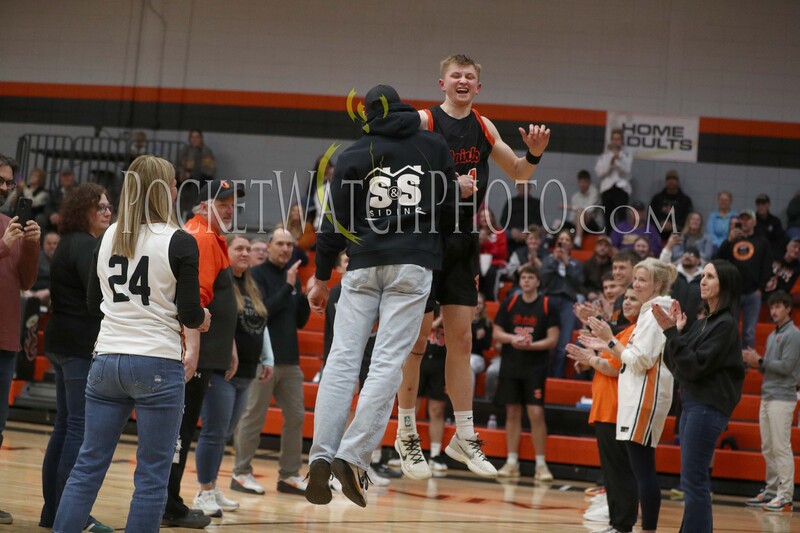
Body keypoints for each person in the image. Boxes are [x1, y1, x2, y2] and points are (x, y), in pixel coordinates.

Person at [395, 54, 550, 480]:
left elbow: (518, 172)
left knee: (461, 341)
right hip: (424, 240)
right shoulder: (424, 121)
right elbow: (398, 176)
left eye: (469, 77)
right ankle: (406, 433)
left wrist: (534, 155)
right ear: (442, 82)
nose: (462, 81)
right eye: (456, 75)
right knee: (416, 342)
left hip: (463, 244)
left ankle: (464, 436)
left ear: (478, 87)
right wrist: (448, 184)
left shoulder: (483, 126)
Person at [304, 84, 459, 507]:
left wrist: (321, 277)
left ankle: (320, 456)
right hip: (412, 262)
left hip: (362, 263)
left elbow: (332, 225)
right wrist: (434, 251)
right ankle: (352, 455)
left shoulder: (354, 153)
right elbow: (451, 213)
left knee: (341, 361)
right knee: (387, 362)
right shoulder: (433, 145)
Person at [52, 155, 210, 533]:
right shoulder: (179, 240)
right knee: (152, 476)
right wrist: (204, 317)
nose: (177, 189)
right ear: (165, 190)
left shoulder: (108, 235)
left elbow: (94, 304)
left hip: (106, 360)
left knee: (87, 467)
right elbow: (191, 314)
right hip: (156, 362)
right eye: (174, 183)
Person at [163, 177, 241, 528]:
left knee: (182, 431)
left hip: (208, 353)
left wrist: (229, 344)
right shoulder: (203, 237)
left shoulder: (211, 236)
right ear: (203, 206)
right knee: (179, 433)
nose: (230, 210)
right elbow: (196, 299)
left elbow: (219, 302)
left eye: (232, 205)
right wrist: (192, 350)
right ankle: (168, 503)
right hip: (195, 356)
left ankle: (171, 500)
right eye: (223, 204)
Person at [581, 258, 676, 533]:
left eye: (642, 280)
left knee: (642, 471)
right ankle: (629, 527)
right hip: (636, 398)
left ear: (658, 284)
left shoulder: (657, 312)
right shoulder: (649, 312)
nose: (636, 284)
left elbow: (639, 360)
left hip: (644, 398)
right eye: (635, 279)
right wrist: (607, 343)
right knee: (639, 469)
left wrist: (610, 341)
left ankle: (644, 528)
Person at [40, 183, 113, 532]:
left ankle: (53, 512)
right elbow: (96, 296)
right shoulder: (86, 244)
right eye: (101, 207)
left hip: (60, 341)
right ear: (84, 209)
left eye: (109, 206)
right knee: (77, 429)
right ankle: (71, 515)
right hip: (77, 344)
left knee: (65, 425)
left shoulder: (70, 241)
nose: (107, 211)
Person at [653, 260, 745, 531]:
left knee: (694, 482)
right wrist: (676, 333)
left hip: (706, 407)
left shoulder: (725, 325)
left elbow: (694, 366)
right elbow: (675, 364)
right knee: (692, 481)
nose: (703, 281)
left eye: (710, 276)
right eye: (703, 275)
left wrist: (672, 334)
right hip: (692, 405)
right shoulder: (704, 323)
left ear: (725, 285)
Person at [192, 235, 271, 517]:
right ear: (227, 253)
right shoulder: (221, 284)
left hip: (247, 372)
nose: (245, 253)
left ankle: (212, 488)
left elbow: (260, 327)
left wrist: (267, 358)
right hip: (221, 370)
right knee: (214, 432)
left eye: (249, 249)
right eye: (239, 248)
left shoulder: (252, 285)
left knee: (224, 434)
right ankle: (204, 491)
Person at [232, 227, 309, 496]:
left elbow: (300, 321)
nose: (286, 249)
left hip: (290, 361)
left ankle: (289, 475)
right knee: (253, 417)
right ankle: (241, 472)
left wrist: (304, 296)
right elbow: (261, 313)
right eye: (280, 244)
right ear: (270, 246)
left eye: (289, 244)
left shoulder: (293, 278)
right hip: (263, 360)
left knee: (296, 417)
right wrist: (288, 286)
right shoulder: (256, 275)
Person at [566, 286, 642, 532]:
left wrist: (590, 359)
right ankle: (616, 522)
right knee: (612, 471)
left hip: (616, 408)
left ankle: (623, 524)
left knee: (620, 470)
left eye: (633, 299)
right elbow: (609, 362)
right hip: (606, 407)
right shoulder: (625, 332)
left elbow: (614, 368)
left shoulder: (635, 332)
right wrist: (590, 358)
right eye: (626, 299)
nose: (627, 302)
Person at [0, 154, 41, 525]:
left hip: (5, 339)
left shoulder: (8, 225)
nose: (4, 187)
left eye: (9, 182)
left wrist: (30, 245)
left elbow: (26, 281)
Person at [493, 265, 559, 480]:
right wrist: (513, 339)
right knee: (512, 412)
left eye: (531, 277)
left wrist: (531, 345)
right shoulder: (510, 302)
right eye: (523, 277)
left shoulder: (548, 305)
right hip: (511, 364)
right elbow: (497, 332)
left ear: (538, 281)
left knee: (536, 414)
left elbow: (552, 340)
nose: (527, 281)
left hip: (535, 367)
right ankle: (512, 461)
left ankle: (541, 464)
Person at [742, 290, 800, 513]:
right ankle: (771, 490)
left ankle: (785, 496)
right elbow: (769, 367)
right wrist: (757, 361)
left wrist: (759, 361)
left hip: (782, 397)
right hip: (768, 395)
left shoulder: (793, 334)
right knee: (768, 446)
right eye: (772, 306)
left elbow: (786, 367)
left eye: (778, 306)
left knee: (780, 446)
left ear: (788, 308)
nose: (774, 311)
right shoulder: (772, 335)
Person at [716, 211, 771, 349]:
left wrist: (760, 289)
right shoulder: (732, 240)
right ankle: (731, 359)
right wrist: (728, 240)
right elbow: (718, 261)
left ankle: (747, 359)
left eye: (748, 219)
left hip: (753, 293)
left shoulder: (762, 242)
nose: (745, 222)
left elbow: (767, 266)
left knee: (749, 333)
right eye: (742, 219)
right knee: (730, 330)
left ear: (754, 222)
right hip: (733, 292)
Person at [539, 231, 583, 378]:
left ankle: (557, 378)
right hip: (549, 300)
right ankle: (543, 377)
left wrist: (566, 262)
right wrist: (554, 260)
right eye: (561, 239)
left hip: (567, 302)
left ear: (571, 244)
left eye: (567, 240)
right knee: (544, 341)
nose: (563, 242)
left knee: (563, 346)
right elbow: (543, 279)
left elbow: (578, 283)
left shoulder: (576, 264)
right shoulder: (548, 260)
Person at [419, 306, 449, 477]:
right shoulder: (426, 302)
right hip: (419, 360)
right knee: (410, 408)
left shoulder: (453, 306)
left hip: (441, 364)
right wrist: (438, 321)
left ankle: (435, 454)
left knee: (437, 410)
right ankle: (404, 450)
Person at [595, 128, 633, 230]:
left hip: (621, 189)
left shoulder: (627, 156)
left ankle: (622, 237)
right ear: (611, 141)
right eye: (614, 139)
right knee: (608, 217)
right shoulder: (604, 156)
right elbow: (600, 173)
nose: (616, 141)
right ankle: (609, 237)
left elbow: (627, 171)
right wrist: (611, 162)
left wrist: (618, 160)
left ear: (622, 141)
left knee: (621, 216)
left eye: (618, 139)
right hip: (607, 189)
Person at [177, 129, 217, 219]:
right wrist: (182, 173)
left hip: (202, 179)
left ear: (201, 138)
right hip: (186, 180)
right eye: (192, 137)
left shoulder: (206, 151)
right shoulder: (185, 150)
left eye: (197, 137)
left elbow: (210, 170)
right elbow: (179, 164)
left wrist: (191, 174)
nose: (195, 139)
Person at [500, 180, 542, 256]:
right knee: (503, 235)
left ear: (530, 187)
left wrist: (528, 232)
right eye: (521, 185)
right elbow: (503, 220)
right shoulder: (511, 202)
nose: (523, 188)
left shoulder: (536, 203)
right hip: (513, 233)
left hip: (529, 232)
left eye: (526, 185)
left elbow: (539, 222)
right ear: (517, 187)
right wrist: (513, 230)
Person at [649, 170, 693, 239]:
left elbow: (688, 219)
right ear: (666, 181)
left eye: (673, 179)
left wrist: (674, 226)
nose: (671, 181)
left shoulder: (685, 200)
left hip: (678, 237)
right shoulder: (657, 198)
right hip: (657, 236)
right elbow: (650, 217)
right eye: (669, 179)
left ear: (678, 181)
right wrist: (659, 224)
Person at [667, 246, 703, 330]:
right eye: (684, 254)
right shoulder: (673, 276)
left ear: (698, 260)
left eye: (691, 255)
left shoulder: (703, 278)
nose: (687, 256)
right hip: (673, 323)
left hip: (696, 325)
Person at [565, 169, 602, 248]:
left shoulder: (594, 192)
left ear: (589, 182)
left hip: (593, 225)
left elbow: (589, 210)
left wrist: (570, 207)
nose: (583, 185)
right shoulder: (575, 197)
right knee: (558, 223)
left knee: (580, 211)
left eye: (585, 182)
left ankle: (578, 241)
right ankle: (548, 242)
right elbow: (571, 218)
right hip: (577, 224)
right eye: (581, 182)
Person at [478, 207, 507, 301]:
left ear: (492, 218)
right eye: (482, 216)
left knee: (491, 272)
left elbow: (502, 253)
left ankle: (492, 301)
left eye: (487, 216)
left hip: (496, 264)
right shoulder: (475, 233)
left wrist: (486, 242)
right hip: (479, 264)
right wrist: (480, 243)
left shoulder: (499, 233)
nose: (484, 219)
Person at [24, 230, 60, 307]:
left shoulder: (64, 260)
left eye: (55, 243)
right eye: (49, 243)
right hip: (32, 294)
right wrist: (28, 292)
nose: (52, 246)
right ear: (43, 244)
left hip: (53, 295)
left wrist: (48, 292)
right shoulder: (35, 258)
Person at [763, 237, 800, 305]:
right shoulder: (774, 255)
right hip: (761, 287)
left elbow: (788, 288)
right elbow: (762, 270)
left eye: (799, 249)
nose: (796, 250)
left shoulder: (797, 268)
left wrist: (776, 285)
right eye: (794, 246)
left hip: (777, 296)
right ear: (788, 246)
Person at [470, 293, 493, 394]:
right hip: (461, 355)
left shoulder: (486, 323)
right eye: (475, 303)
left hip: (477, 357)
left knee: (468, 365)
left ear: (483, 305)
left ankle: (467, 400)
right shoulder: (463, 320)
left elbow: (487, 346)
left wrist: (480, 338)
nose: (477, 306)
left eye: (480, 303)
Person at [582, 234, 613, 301]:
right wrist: (588, 293)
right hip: (589, 295)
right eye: (600, 245)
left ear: (609, 249)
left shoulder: (613, 266)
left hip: (607, 295)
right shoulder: (587, 264)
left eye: (606, 245)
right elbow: (580, 284)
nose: (603, 248)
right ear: (595, 247)